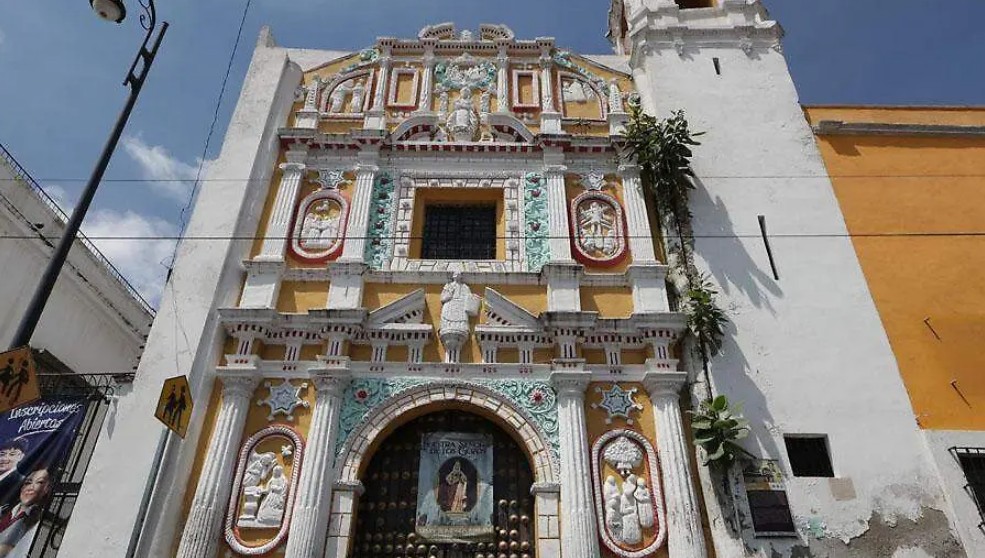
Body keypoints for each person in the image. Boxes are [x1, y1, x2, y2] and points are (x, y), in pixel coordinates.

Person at [0, 468, 51, 556]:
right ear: (22, 487)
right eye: (28, 483)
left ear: (46, 489)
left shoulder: (37, 520)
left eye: (39, 482)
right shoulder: (3, 510)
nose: (31, 487)